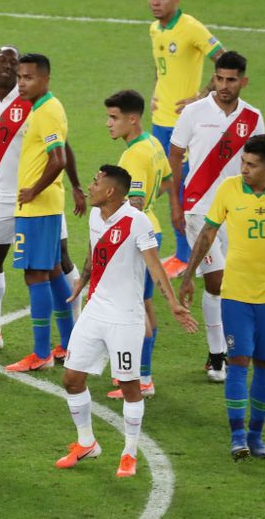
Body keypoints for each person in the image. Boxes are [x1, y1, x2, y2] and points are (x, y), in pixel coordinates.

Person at [58, 165, 196, 477]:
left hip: (125, 317)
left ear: (110, 191)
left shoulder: (137, 222)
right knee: (71, 379)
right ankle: (87, 443)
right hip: (95, 311)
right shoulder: (96, 215)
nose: (89, 187)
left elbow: (155, 266)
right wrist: (83, 280)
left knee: (130, 386)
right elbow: (95, 251)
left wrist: (173, 304)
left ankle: (129, 453)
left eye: (95, 182)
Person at [179, 134, 265, 460]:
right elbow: (207, 233)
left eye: (251, 165)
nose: (244, 169)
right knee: (238, 362)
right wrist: (190, 273)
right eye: (243, 162)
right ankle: (237, 437)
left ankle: (256, 436)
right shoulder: (229, 189)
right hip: (235, 294)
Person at [0, 46, 86, 355]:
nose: (10, 70)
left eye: (16, 67)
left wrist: (77, 186)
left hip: (39, 197)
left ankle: (77, 329)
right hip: (2, 195)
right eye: (4, 63)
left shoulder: (34, 100)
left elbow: (62, 148)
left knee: (59, 260)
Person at [169, 51, 265, 382]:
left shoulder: (252, 118)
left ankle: (233, 345)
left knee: (235, 282)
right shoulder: (195, 112)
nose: (224, 86)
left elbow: (258, 162)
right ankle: (216, 354)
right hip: (200, 210)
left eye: (231, 80)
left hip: (238, 211)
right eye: (220, 79)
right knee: (215, 280)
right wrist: (175, 204)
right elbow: (176, 153)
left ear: (243, 81)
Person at [148, 0, 225, 278]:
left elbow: (222, 57)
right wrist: (156, 91)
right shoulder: (155, 29)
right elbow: (161, 68)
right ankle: (185, 252)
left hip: (187, 123)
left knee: (185, 187)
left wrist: (203, 95)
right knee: (168, 186)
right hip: (160, 120)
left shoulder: (190, 27)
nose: (156, 2)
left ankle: (189, 253)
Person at [3, 53, 76, 372]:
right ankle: (70, 344)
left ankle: (41, 353)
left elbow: (57, 159)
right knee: (53, 270)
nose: (21, 83)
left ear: (45, 79)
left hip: (37, 207)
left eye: (28, 78)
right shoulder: (45, 107)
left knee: (35, 273)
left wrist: (33, 190)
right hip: (45, 206)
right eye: (19, 77)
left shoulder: (46, 111)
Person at [101, 90, 172, 400]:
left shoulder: (134, 155)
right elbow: (167, 180)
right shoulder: (153, 143)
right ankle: (140, 375)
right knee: (143, 305)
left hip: (137, 237)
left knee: (138, 308)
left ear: (133, 118)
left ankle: (142, 378)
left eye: (114, 118)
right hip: (152, 231)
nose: (108, 124)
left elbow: (138, 201)